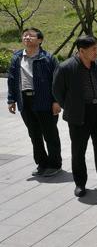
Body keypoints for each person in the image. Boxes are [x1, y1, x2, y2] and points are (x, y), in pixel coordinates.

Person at [53, 35, 97, 197]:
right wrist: (70, 107)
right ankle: (80, 184)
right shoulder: (66, 67)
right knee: (78, 151)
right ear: (81, 51)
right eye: (93, 49)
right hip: (79, 114)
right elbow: (57, 91)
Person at [7, 28, 62, 177]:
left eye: (31, 35)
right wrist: (11, 99)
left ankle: (55, 164)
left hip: (45, 101)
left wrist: (56, 101)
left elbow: (57, 81)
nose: (27, 37)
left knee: (50, 134)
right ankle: (41, 163)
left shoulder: (48, 58)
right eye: (25, 35)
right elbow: (12, 79)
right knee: (34, 134)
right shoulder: (17, 57)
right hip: (25, 101)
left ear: (40, 40)